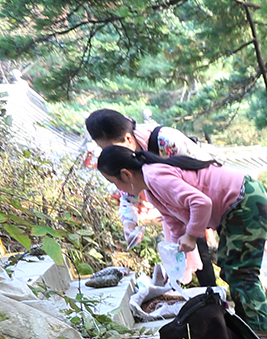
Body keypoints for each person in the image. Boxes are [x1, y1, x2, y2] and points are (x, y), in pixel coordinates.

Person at [95, 145, 267, 339]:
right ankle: (250, 328)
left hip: (244, 199)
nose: (117, 188)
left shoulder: (156, 177)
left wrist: (191, 235)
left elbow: (201, 202)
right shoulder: (151, 187)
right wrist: (174, 265)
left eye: (114, 182)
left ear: (126, 175)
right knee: (229, 268)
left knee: (240, 271)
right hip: (236, 205)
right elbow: (174, 223)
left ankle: (261, 334)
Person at [83, 108, 213, 286]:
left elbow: (207, 176)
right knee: (190, 257)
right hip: (178, 213)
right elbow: (128, 195)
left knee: (231, 265)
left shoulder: (166, 141)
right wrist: (130, 225)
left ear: (128, 139)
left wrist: (193, 226)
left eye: (108, 147)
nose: (107, 153)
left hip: (209, 202)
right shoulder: (125, 161)